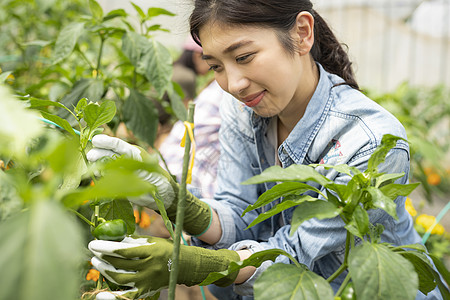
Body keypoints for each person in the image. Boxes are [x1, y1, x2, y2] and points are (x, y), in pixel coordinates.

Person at [86, 1, 443, 299]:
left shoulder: (370, 140)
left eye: (243, 56)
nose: (233, 84)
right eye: (216, 67)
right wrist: (177, 199)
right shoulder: (245, 111)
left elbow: (296, 257)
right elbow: (240, 214)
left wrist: (189, 264)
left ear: (302, 34)